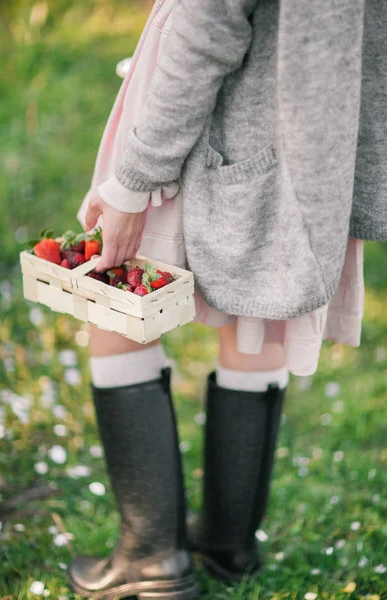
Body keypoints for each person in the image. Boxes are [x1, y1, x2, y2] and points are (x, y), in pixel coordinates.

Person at [67, 0, 387, 598]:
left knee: (112, 297)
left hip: (202, 110)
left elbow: (209, 23)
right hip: (308, 120)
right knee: (257, 316)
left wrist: (136, 178)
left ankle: (152, 557)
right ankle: (226, 545)